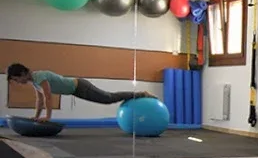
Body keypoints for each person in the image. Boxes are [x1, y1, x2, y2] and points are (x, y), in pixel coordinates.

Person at [6, 63, 155, 123]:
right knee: (108, 98)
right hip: (76, 91)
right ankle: (139, 94)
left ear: (23, 73)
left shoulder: (40, 77)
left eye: (17, 78)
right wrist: (36, 117)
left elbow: (48, 97)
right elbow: (39, 101)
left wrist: (48, 117)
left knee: (108, 98)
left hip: (80, 86)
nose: (18, 82)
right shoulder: (34, 82)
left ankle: (141, 94)